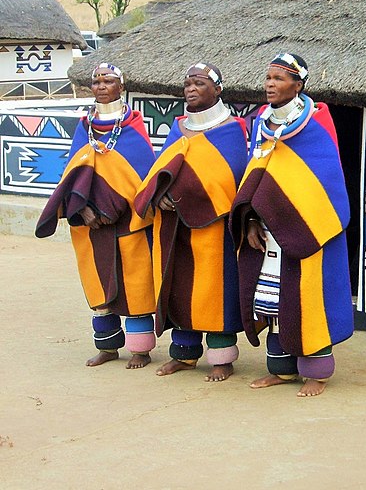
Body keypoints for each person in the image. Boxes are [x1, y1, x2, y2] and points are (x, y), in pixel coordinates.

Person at [229, 52, 354, 397]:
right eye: (268, 77)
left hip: (306, 227)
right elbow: (254, 175)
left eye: (279, 78)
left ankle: (317, 372)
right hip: (268, 230)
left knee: (306, 298)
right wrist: (251, 219)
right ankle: (281, 371)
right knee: (272, 301)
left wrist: (295, 218)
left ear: (298, 85)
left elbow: (325, 181)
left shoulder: (316, 124)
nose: (270, 84)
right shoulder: (261, 123)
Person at [36, 63, 157, 369]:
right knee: (98, 280)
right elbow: (74, 175)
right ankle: (107, 347)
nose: (102, 86)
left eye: (109, 80)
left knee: (136, 280)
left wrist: (120, 208)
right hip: (90, 223)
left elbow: (142, 176)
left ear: (122, 85)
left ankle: (140, 349)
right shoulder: (84, 127)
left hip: (129, 220)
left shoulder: (133, 127)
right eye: (97, 81)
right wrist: (85, 210)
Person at [135, 61, 248, 382]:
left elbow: (232, 177)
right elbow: (159, 171)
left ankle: (221, 357)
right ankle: (184, 355)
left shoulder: (232, 129)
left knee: (216, 290)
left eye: (199, 83)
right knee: (179, 287)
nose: (190, 88)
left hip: (214, 227)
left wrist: (194, 198)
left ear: (218, 90)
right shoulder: (178, 127)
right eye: (187, 83)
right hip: (175, 227)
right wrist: (160, 196)